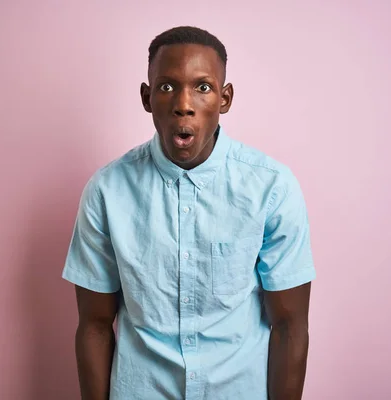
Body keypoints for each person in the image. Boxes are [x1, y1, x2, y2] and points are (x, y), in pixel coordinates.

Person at [62, 25, 316, 400]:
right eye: (167, 87)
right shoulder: (107, 191)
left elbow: (290, 325)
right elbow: (96, 325)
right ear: (147, 98)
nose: (184, 103)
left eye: (203, 87)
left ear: (225, 98)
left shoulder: (271, 187)